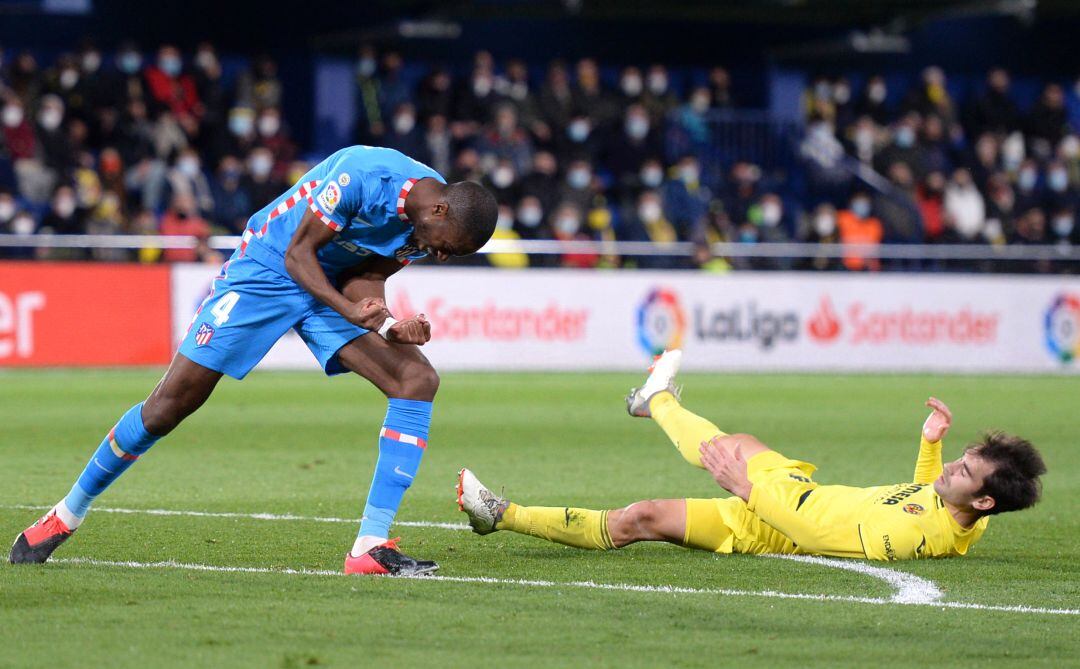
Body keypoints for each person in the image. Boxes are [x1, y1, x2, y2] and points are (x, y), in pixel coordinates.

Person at [10, 145, 498, 576]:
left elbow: (367, 277)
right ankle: (65, 513)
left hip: (331, 288)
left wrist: (389, 326)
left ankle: (370, 546)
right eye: (447, 247)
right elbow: (298, 253)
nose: (440, 256)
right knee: (168, 406)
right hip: (268, 268)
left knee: (415, 379)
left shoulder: (423, 227)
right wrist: (352, 311)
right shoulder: (365, 175)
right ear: (439, 209)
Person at [458, 350, 1046, 562]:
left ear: (986, 500)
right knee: (731, 442)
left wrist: (747, 490)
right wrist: (931, 441)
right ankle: (653, 399)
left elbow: (816, 539)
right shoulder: (958, 511)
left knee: (640, 517)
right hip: (797, 493)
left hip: (777, 525)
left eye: (964, 472)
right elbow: (926, 491)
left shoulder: (923, 540)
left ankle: (499, 512)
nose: (951, 472)